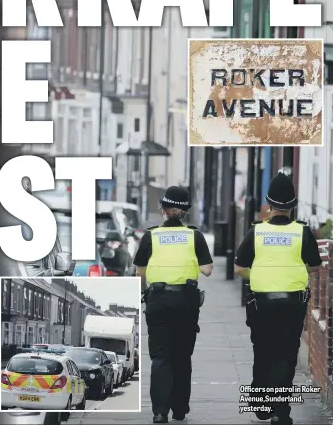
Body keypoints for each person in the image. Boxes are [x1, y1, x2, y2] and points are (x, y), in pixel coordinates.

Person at [234, 172, 322, 425]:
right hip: (293, 305)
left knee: (263, 352)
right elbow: (315, 266)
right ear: (292, 207)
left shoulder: (256, 232)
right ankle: (280, 412)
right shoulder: (302, 232)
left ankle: (262, 404)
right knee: (285, 356)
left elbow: (239, 267)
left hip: (261, 304)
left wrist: (259, 274)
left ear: (268, 206)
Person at [134, 186, 213, 423]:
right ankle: (180, 409)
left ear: (165, 210)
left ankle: (160, 411)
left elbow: (140, 272)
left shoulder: (151, 236)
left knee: (160, 357)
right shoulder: (194, 236)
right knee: (182, 356)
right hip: (186, 302)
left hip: (158, 301)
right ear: (184, 212)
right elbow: (207, 270)